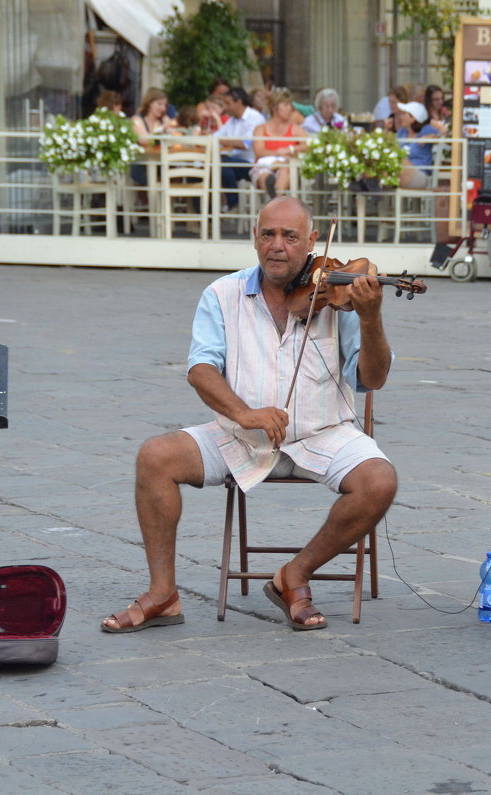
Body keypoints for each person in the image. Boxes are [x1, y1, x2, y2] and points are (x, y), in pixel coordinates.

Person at [100, 195, 397, 634]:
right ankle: (163, 593)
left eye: (290, 236)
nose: (277, 246)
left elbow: (371, 379)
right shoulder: (222, 293)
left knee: (380, 481)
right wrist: (244, 414)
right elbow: (201, 370)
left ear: (312, 241)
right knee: (154, 456)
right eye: (267, 234)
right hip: (242, 435)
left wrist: (371, 318)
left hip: (324, 432)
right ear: (254, 239)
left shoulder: (339, 298)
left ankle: (293, 576)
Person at [215, 87, 267, 212]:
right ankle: (229, 206)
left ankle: (231, 205)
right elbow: (216, 136)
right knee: (220, 166)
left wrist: (220, 141)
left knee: (220, 164)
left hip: (251, 163)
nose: (225, 108)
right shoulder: (232, 120)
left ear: (238, 102)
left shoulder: (255, 118)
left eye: (227, 103)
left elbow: (245, 143)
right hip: (233, 162)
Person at [249, 88, 305, 199]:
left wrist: (291, 149)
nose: (290, 109)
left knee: (285, 168)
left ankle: (275, 199)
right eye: (286, 105)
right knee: (264, 175)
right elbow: (259, 151)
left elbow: (308, 145)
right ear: (275, 108)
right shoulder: (260, 129)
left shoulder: (295, 129)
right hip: (265, 166)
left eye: (290, 105)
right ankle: (277, 201)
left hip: (286, 167)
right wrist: (278, 153)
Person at [394, 100, 440, 189]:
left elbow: (444, 134)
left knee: (399, 160)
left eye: (404, 114)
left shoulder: (425, 130)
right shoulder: (402, 132)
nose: (401, 117)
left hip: (419, 173)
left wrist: (433, 137)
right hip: (401, 173)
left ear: (413, 118)